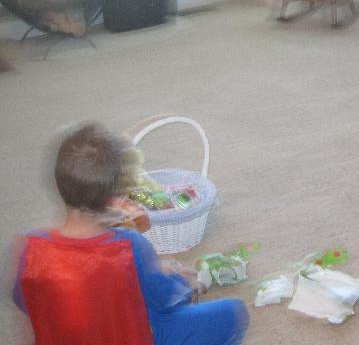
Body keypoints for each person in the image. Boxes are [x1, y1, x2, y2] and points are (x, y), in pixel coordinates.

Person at [11, 122, 249, 345]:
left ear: (56, 182)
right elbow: (166, 300)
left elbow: (27, 303)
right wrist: (182, 280)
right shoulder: (128, 246)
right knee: (233, 312)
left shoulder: (28, 248)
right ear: (116, 198)